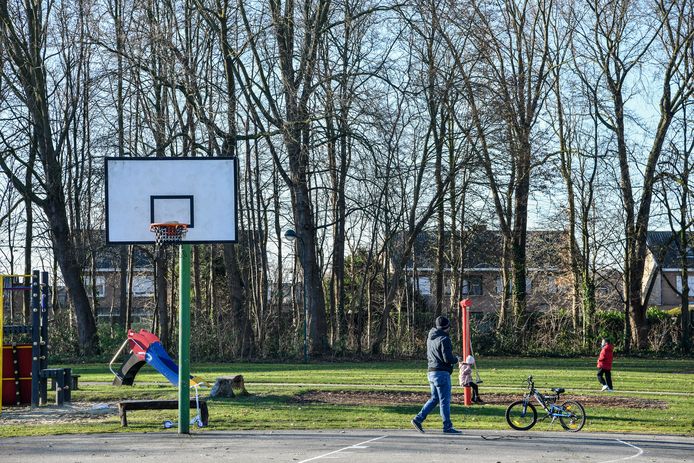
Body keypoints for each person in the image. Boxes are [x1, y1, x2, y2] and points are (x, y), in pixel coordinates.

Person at [411, 316, 462, 434]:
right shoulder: (445, 339)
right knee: (445, 401)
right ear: (447, 327)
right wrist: (457, 359)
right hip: (442, 373)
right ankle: (447, 427)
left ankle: (418, 419)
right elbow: (447, 358)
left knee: (434, 398)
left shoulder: (430, 338)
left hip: (431, 372)